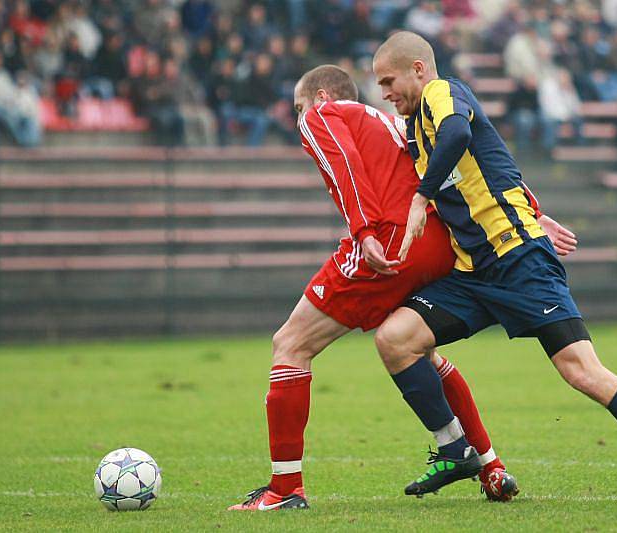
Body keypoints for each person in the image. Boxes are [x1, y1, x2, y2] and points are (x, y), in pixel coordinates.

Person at [371, 30, 617, 506]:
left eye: (388, 80)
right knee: (395, 339)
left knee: (582, 372)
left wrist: (423, 197)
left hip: (520, 260)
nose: (384, 92)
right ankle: (455, 448)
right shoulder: (415, 129)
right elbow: (492, 165)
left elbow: (459, 135)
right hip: (474, 274)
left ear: (418, 69)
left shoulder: (444, 93)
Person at [228, 64, 578, 512]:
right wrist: (530, 209)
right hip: (438, 239)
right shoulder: (396, 121)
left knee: (290, 345)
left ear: (320, 97)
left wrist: (363, 231)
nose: (302, 118)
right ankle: (490, 467)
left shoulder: (321, 114)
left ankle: (284, 490)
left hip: (390, 236)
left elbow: (345, 166)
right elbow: (472, 161)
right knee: (419, 350)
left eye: (301, 107)